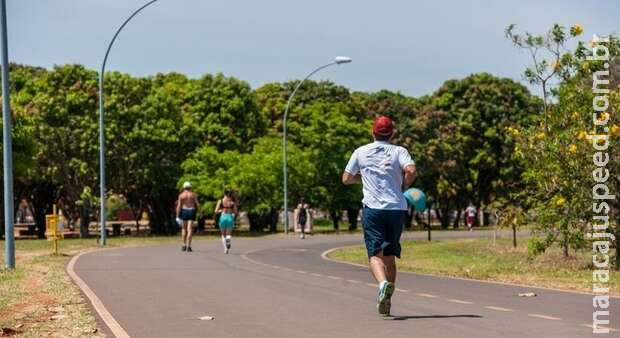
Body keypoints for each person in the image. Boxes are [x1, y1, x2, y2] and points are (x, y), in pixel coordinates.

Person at [342, 115, 416, 316]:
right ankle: (387, 300)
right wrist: (403, 184)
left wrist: (363, 177)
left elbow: (346, 178)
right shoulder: (399, 151)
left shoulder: (361, 151)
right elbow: (411, 169)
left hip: (373, 209)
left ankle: (383, 284)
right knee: (390, 256)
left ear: (372, 132)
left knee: (375, 254)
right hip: (396, 209)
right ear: (392, 133)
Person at [176, 181, 200, 252]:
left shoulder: (181, 195)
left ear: (184, 187)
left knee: (184, 228)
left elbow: (179, 206)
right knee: (190, 228)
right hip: (191, 210)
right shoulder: (193, 195)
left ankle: (184, 245)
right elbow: (197, 204)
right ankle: (189, 246)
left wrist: (177, 216)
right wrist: (200, 212)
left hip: (184, 211)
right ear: (190, 187)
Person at [215, 189, 237, 254]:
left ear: (224, 193)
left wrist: (221, 210)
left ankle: (225, 249)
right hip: (230, 217)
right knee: (228, 234)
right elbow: (235, 212)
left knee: (223, 234)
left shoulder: (221, 201)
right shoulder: (232, 202)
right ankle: (228, 240)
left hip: (223, 217)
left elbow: (215, 211)